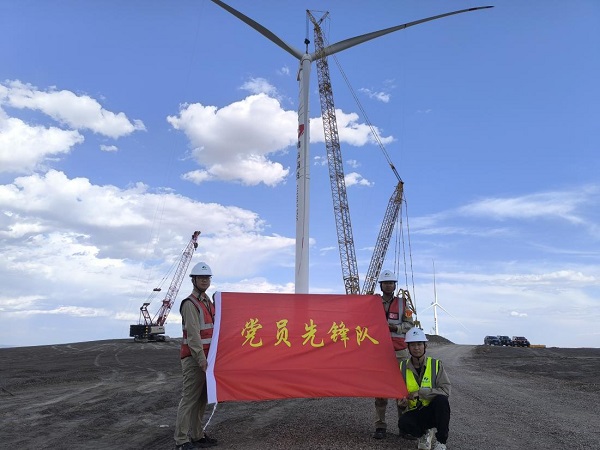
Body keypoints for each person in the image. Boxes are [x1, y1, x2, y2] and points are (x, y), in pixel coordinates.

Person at [174, 261, 218, 450]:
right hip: (195, 360)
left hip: (207, 359)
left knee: (201, 399)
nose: (204, 280)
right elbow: (193, 336)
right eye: (201, 278)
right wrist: (201, 360)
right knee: (190, 399)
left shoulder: (208, 302)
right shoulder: (190, 304)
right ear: (193, 280)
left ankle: (198, 435)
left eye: (207, 278)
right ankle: (181, 440)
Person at [372, 269, 415, 439]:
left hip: (400, 352)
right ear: (381, 285)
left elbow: (410, 325)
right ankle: (380, 426)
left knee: (402, 391)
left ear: (394, 285)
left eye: (391, 283)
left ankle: (403, 427)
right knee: (381, 392)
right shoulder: (372, 303)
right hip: (379, 353)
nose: (389, 285)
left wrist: (395, 328)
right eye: (386, 282)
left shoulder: (404, 304)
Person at [397, 327, 451, 450]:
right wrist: (401, 404)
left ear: (425, 346)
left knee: (442, 401)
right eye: (413, 345)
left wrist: (420, 393)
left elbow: (446, 390)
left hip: (433, 410)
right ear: (408, 348)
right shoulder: (402, 367)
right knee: (403, 423)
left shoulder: (436, 365)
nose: (416, 348)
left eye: (419, 344)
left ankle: (441, 441)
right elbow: (401, 396)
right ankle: (424, 433)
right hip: (416, 411)